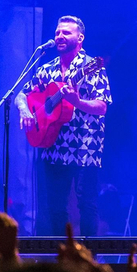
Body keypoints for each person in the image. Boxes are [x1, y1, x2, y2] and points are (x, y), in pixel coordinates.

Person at [17, 16, 112, 237]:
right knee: (55, 207)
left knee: (86, 205)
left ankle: (89, 259)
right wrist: (25, 110)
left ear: (80, 38)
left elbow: (102, 106)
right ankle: (62, 261)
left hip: (84, 147)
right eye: (58, 32)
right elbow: (23, 94)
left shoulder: (92, 67)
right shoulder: (46, 69)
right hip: (53, 143)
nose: (59, 36)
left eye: (66, 33)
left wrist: (77, 102)